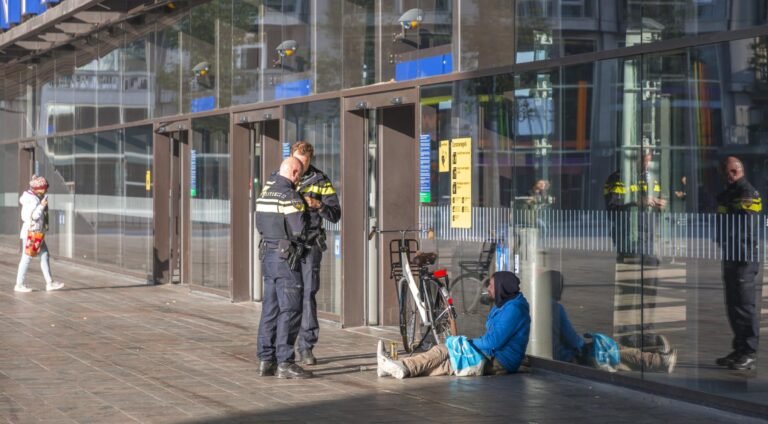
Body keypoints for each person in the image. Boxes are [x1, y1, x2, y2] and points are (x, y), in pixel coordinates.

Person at [376, 271, 530, 379]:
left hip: (499, 361)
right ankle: (397, 369)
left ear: (501, 288)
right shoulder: (504, 303)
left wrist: (465, 342)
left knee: (444, 350)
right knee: (446, 365)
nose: (488, 289)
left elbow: (493, 342)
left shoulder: (514, 310)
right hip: (491, 354)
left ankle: (401, 367)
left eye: (491, 286)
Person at [543, 270, 677, 373]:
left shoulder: (538, 306)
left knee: (615, 349)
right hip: (570, 357)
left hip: (562, 356)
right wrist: (584, 345)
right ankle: (659, 361)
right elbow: (573, 339)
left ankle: (656, 358)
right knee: (613, 351)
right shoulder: (554, 307)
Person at [255, 157, 312, 379]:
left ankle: (265, 360)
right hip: (286, 258)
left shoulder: (264, 193)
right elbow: (299, 229)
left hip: (268, 255)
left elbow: (260, 225)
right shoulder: (290, 196)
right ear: (295, 173)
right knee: (290, 309)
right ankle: (285, 362)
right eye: (300, 174)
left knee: (270, 309)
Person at [290, 141, 341, 366]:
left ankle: (306, 346)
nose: (300, 167)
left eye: (305, 162)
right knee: (286, 296)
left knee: (308, 294)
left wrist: (318, 205)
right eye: (297, 162)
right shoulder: (281, 177)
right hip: (287, 244)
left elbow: (335, 214)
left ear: (310, 160)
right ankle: (283, 347)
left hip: (311, 244)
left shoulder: (320, 180)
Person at [714, 156, 762, 371]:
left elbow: (742, 224)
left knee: (744, 306)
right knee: (733, 306)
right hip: (732, 255)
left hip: (744, 257)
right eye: (725, 172)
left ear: (740, 170)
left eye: (733, 171)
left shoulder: (747, 192)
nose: (729, 176)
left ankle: (749, 352)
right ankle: (739, 349)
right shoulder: (729, 193)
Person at [15, 175, 64, 293]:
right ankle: (19, 284)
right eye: (44, 188)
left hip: (36, 232)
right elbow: (32, 216)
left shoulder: (33, 196)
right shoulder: (32, 200)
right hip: (32, 232)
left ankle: (49, 282)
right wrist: (42, 205)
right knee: (26, 258)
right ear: (38, 189)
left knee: (44, 255)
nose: (46, 190)